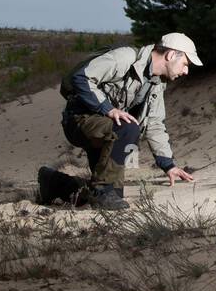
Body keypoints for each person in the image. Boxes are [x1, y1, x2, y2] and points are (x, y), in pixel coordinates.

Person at [38, 33, 200, 210]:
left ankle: (53, 182)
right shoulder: (124, 58)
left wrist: (168, 165)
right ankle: (104, 192)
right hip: (78, 120)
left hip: (106, 130)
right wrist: (108, 109)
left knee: (108, 193)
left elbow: (155, 124)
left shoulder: (156, 83)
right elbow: (82, 78)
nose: (186, 71)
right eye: (185, 64)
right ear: (170, 55)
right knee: (129, 128)